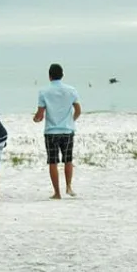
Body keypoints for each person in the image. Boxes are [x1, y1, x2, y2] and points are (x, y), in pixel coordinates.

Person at [33, 62, 81, 199]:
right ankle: (69, 186)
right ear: (62, 75)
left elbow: (40, 114)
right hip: (67, 130)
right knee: (68, 160)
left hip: (51, 131)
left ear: (49, 76)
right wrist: (71, 120)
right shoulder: (71, 90)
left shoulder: (43, 92)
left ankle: (57, 192)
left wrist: (36, 119)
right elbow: (78, 110)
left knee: (53, 162)